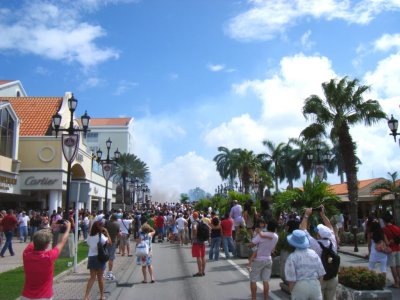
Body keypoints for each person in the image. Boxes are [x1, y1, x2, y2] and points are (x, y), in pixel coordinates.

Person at [21, 221, 71, 300]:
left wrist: (50, 228)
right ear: (47, 244)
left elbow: (34, 241)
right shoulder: (49, 256)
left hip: (26, 296)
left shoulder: (26, 254)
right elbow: (62, 241)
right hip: (44, 296)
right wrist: (68, 228)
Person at [300, 207, 338, 300]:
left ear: (319, 235)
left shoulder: (316, 245)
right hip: (333, 277)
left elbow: (303, 230)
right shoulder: (333, 240)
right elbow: (330, 227)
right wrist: (322, 214)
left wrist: (306, 215)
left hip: (320, 278)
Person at [285, 229, 326, 300]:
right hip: (315, 284)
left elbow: (291, 279)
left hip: (300, 285)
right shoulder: (314, 253)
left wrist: (292, 292)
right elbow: (322, 273)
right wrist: (318, 286)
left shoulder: (292, 257)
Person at [249, 219, 278, 300]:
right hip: (268, 259)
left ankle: (254, 298)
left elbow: (252, 244)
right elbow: (272, 248)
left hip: (258, 259)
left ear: (267, 226)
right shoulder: (276, 236)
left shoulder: (261, 234)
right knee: (265, 281)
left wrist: (249, 245)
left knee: (253, 280)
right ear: (275, 228)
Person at [84, 221, 111, 300]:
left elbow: (89, 244)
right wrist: (107, 233)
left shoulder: (89, 237)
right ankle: (102, 296)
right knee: (100, 278)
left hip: (91, 257)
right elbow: (110, 243)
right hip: (99, 257)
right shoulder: (101, 236)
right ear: (100, 227)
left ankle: (86, 296)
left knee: (92, 277)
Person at [382, 213, 400, 288]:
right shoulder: (397, 228)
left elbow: (386, 242)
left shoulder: (384, 229)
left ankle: (396, 283)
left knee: (393, 267)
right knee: (398, 266)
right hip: (398, 249)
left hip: (391, 250)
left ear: (384, 221)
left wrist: (389, 243)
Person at [191, 211, 209, 277]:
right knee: (203, 256)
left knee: (198, 256)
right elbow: (209, 228)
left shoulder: (194, 222)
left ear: (193, 216)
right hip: (202, 241)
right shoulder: (202, 222)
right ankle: (203, 271)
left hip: (197, 241)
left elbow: (195, 228)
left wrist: (194, 237)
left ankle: (200, 272)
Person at [105, 214, 120, 281]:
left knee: (104, 257)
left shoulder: (106, 223)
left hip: (105, 241)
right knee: (111, 258)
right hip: (113, 242)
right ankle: (110, 273)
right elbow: (118, 234)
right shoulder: (117, 225)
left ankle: (102, 272)